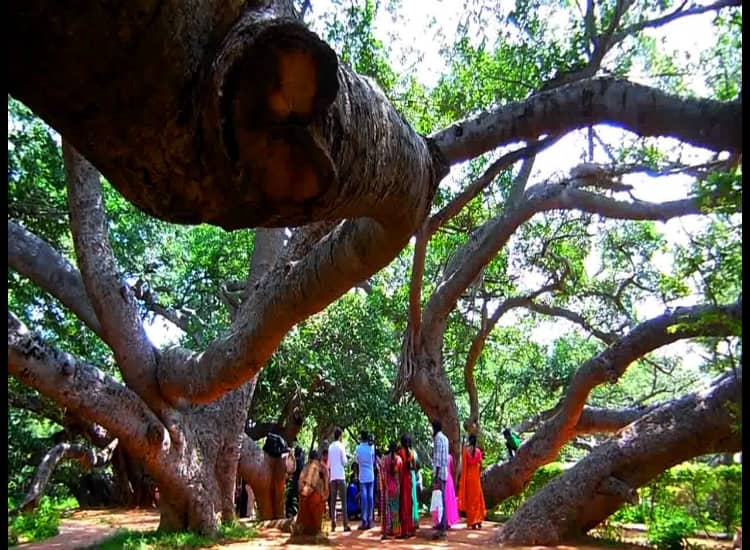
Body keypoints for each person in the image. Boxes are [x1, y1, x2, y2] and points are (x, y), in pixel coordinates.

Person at [295, 449, 330, 536]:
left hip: (306, 499)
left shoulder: (306, 468)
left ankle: (307, 528)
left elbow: (301, 487)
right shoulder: (319, 467)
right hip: (313, 499)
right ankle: (316, 529)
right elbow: (326, 491)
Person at [457, 433, 486, 530]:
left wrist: (461, 478)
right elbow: (481, 464)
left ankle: (473, 521)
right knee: (477, 498)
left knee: (470, 500)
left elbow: (463, 466)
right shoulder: (478, 451)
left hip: (468, 477)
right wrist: (478, 471)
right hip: (476, 477)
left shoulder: (466, 451)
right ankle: (479, 520)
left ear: (469, 440)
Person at [327, 427, 351, 532]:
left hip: (333, 476)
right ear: (340, 436)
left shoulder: (330, 447)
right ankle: (345, 525)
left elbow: (328, 463)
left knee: (332, 501)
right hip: (341, 476)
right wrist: (347, 460)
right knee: (343, 501)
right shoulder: (341, 446)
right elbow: (345, 461)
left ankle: (333, 523)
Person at [379, 440, 402, 539]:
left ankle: (386, 531)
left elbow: (383, 475)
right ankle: (396, 530)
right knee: (395, 510)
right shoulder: (399, 460)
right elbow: (399, 476)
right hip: (396, 488)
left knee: (386, 510)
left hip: (387, 488)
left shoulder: (384, 459)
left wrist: (384, 486)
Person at [431, 419, 449, 540]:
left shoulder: (438, 439)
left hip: (440, 473)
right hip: (445, 472)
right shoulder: (445, 438)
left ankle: (442, 528)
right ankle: (443, 524)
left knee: (440, 501)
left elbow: (437, 459)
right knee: (443, 500)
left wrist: (435, 476)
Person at [396, 434, 417, 538]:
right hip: (409, 479)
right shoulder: (412, 453)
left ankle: (404, 531)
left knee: (403, 504)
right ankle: (410, 529)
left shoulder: (400, 453)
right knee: (409, 503)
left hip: (402, 479)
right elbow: (414, 467)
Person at [432, 451, 459, 528]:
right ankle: (447, 521)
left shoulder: (439, 457)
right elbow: (453, 470)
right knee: (448, 501)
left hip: (442, 479)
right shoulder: (450, 457)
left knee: (441, 501)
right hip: (449, 479)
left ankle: (441, 521)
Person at [355, 429, 376, 530]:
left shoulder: (358, 448)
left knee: (364, 497)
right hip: (370, 474)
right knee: (370, 496)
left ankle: (364, 520)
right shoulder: (371, 447)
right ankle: (370, 519)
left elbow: (357, 460)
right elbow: (373, 461)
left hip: (362, 474)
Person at [286, 442, 305, 518]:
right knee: (296, 498)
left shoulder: (295, 460)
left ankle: (290, 512)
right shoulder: (300, 460)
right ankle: (295, 513)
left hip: (294, 482)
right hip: (298, 482)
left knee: (292, 498)